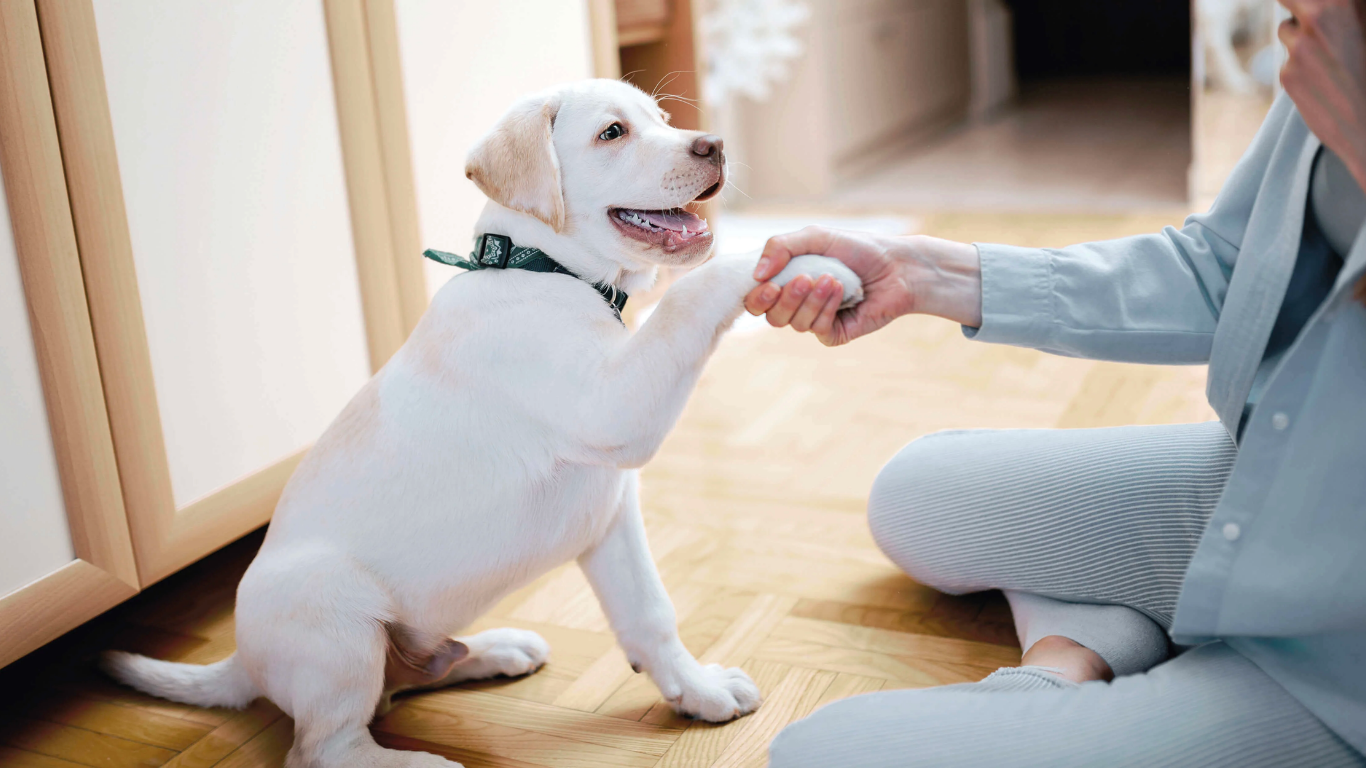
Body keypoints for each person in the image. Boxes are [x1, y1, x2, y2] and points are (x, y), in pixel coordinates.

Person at [745, 0, 1366, 765]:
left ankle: (1116, 668)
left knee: (818, 754)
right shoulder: (1335, 33)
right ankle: (1094, 646)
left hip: (1344, 655)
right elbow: (1226, 268)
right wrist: (923, 273)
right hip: (1278, 480)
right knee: (917, 493)